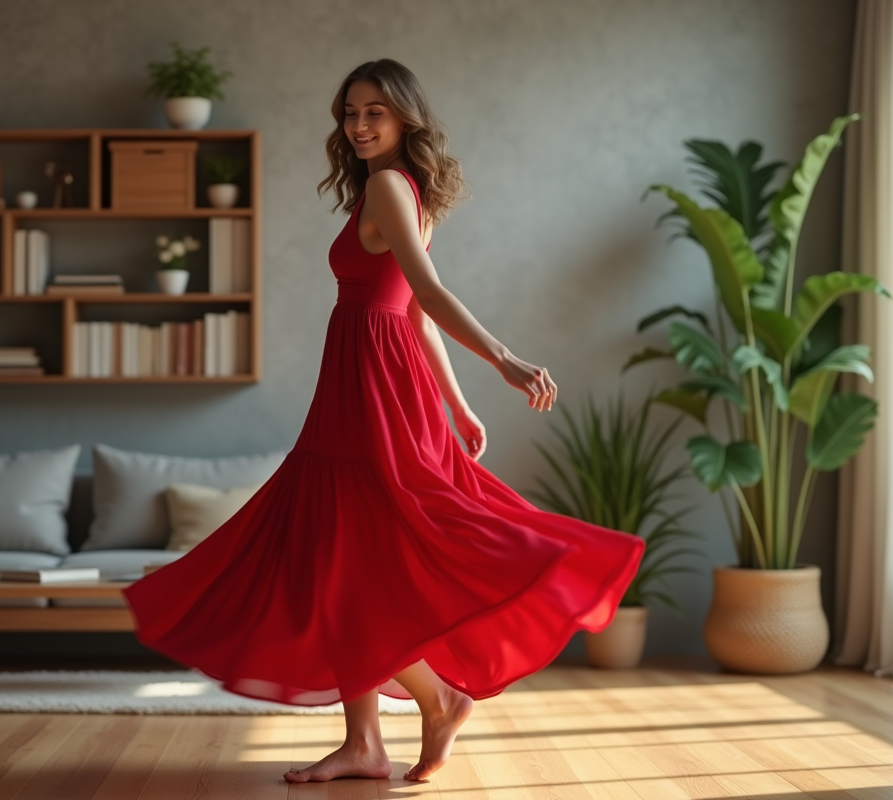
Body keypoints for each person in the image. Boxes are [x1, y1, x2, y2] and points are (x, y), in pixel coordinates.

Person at [123, 58, 644, 785]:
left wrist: (502, 361)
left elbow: (423, 294)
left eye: (374, 112)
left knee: (351, 557)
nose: (359, 125)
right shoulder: (399, 190)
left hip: (372, 387)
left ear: (406, 118)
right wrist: (456, 403)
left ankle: (433, 701)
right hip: (365, 380)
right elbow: (412, 306)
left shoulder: (391, 186)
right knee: (346, 558)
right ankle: (369, 739)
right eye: (349, 113)